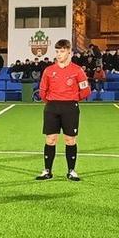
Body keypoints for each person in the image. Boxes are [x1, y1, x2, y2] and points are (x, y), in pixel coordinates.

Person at [37, 39, 90, 181]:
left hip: (70, 107)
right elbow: (42, 91)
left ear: (69, 52)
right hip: (52, 107)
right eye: (57, 51)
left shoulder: (77, 70)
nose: (59, 54)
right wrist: (51, 101)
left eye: (61, 51)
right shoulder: (49, 70)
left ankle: (71, 171)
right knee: (50, 139)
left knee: (70, 139)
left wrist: (73, 99)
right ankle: (47, 171)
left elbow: (85, 90)